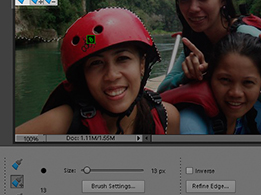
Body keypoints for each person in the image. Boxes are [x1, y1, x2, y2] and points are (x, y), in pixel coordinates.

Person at [16, 8, 179, 135]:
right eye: (96, 63)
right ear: (83, 76)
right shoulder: (62, 123)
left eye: (122, 58)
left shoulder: (166, 118)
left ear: (142, 64)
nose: (112, 75)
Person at [162, 33, 261, 134]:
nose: (235, 93)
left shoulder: (256, 113)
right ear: (210, 76)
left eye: (248, 82)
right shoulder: (190, 125)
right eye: (225, 80)